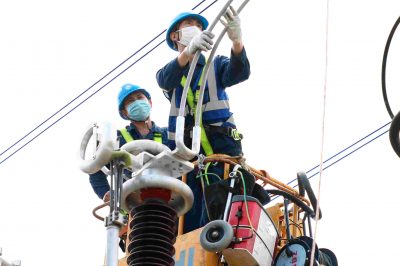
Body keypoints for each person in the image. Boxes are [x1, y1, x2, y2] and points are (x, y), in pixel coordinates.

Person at [156, 8, 253, 233]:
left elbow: (239, 72)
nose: (197, 28)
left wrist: (237, 42)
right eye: (189, 24)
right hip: (187, 157)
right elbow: (164, 79)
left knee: (224, 206)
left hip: (221, 149)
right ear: (175, 35)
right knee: (190, 217)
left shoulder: (215, 63)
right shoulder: (170, 72)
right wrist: (189, 51)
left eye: (199, 25)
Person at [88, 83, 168, 202]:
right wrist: (105, 193)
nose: (137, 102)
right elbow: (95, 169)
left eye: (140, 97)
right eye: (131, 101)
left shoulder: (167, 134)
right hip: (133, 205)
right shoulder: (116, 138)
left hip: (169, 202)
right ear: (124, 112)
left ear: (150, 103)